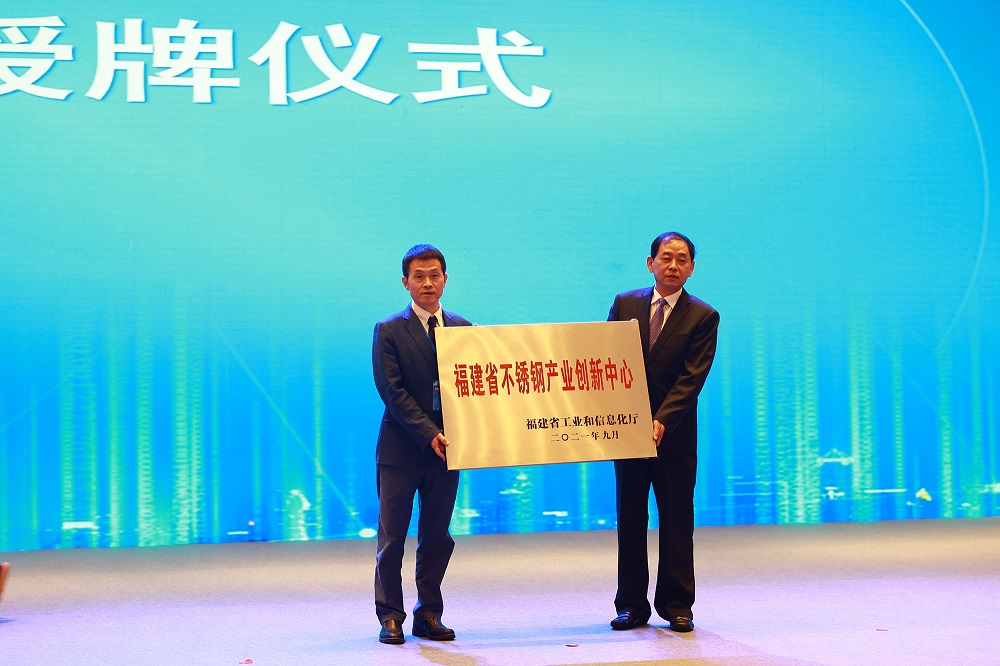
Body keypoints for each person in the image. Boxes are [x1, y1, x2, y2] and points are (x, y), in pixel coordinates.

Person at [607, 231, 719, 633]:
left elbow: (692, 377)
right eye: (666, 257)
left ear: (692, 268)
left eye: (682, 259)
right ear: (650, 262)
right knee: (630, 519)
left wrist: (662, 419)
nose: (673, 265)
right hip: (627, 433)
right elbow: (605, 360)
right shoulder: (625, 304)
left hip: (675, 436)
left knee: (676, 521)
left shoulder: (703, 315)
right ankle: (631, 606)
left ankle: (677, 605)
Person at [372, 244, 472, 645]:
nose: (427, 282)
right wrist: (429, 433)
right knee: (392, 538)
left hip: (448, 452)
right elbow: (392, 392)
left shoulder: (465, 329)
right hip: (401, 451)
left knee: (437, 536)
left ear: (445, 279)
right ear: (405, 282)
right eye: (419, 276)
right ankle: (390, 616)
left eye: (434, 275)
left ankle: (429, 614)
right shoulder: (389, 329)